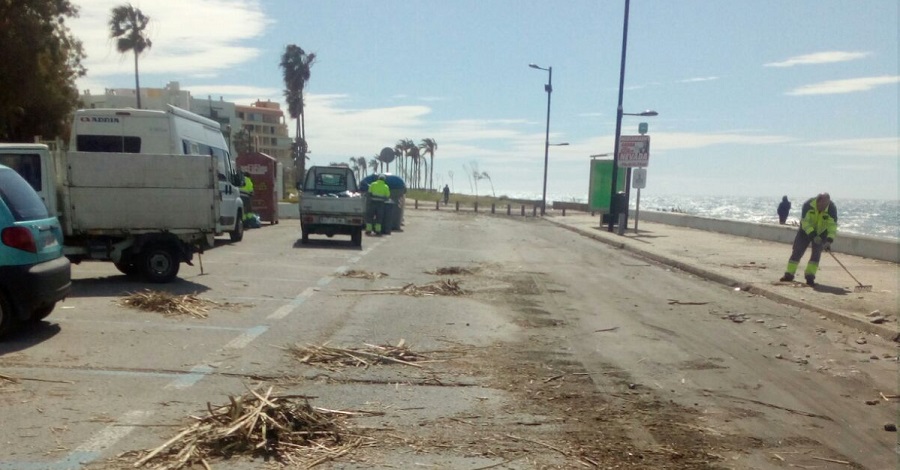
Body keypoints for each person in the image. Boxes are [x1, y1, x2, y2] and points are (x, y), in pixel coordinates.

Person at [779, 193, 837, 286]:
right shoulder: (807, 205)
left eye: (826, 205)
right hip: (805, 231)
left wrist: (829, 240)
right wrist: (813, 235)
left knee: (816, 255)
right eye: (822, 205)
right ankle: (789, 274)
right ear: (818, 201)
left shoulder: (831, 208)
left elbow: (832, 225)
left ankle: (810, 276)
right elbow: (805, 222)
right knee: (797, 252)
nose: (824, 207)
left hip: (822, 233)